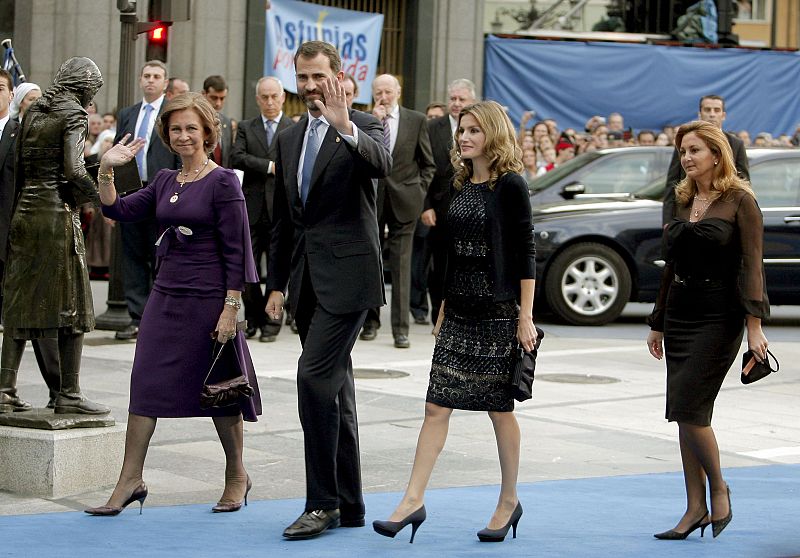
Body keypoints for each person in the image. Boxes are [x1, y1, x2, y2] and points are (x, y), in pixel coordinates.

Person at [86, 92, 261, 516]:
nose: (183, 136)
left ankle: (236, 474)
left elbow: (238, 249)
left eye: (191, 129)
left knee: (220, 391)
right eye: (176, 129)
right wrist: (107, 169)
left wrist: (230, 307)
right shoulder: (165, 180)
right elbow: (120, 209)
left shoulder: (223, 182)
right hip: (165, 296)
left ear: (207, 133)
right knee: (144, 385)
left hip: (209, 300)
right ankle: (130, 479)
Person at [374, 100, 537, 544]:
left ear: (494, 136)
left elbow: (525, 251)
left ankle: (508, 500)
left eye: (473, 131)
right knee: (435, 405)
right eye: (462, 129)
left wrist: (526, 315)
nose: (463, 137)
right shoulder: (459, 184)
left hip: (499, 313)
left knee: (499, 410)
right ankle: (411, 499)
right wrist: (443, 302)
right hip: (460, 309)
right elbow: (448, 251)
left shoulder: (511, 186)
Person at [265, 40, 391, 540]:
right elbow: (283, 223)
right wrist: (276, 286)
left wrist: (344, 125)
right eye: (304, 77)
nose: (311, 86)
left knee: (313, 380)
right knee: (335, 391)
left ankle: (321, 503)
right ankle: (350, 503)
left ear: (339, 77)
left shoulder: (364, 124)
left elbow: (380, 164)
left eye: (320, 76)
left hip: (351, 281)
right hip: (307, 285)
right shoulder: (290, 138)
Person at [646, 120, 769, 540]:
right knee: (683, 413)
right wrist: (657, 322)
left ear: (717, 154)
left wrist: (754, 327)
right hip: (680, 312)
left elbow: (752, 265)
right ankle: (694, 507)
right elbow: (672, 265)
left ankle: (719, 490)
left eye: (695, 150)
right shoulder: (684, 198)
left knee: (692, 410)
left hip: (719, 316)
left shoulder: (741, 201)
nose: (687, 158)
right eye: (683, 152)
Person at [0, 58, 109, 415]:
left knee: (19, 302)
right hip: (56, 218)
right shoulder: (73, 114)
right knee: (73, 304)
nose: (93, 97)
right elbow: (74, 169)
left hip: (24, 216)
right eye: (93, 89)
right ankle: (69, 393)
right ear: (84, 86)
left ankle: (5, 389)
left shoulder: (32, 112)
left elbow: (20, 171)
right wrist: (102, 197)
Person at [0, 71, 62, 411]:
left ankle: (59, 387)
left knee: (34, 314)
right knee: (20, 316)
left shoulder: (24, 135)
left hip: (20, 240)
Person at [360, 74, 435, 348]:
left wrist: (419, 192)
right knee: (371, 260)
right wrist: (373, 123)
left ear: (398, 92)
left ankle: (400, 329)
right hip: (372, 200)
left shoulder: (416, 120)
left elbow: (428, 164)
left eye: (388, 92)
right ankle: (370, 321)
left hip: (405, 200)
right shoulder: (365, 120)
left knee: (402, 265)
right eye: (378, 92)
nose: (383, 97)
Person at [113, 60, 180, 340]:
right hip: (131, 193)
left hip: (162, 193)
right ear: (140, 80)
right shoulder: (128, 114)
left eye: (157, 77)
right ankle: (136, 316)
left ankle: (159, 315)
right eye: (147, 76)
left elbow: (179, 152)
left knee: (160, 255)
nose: (151, 81)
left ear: (165, 82)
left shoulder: (172, 113)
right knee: (133, 255)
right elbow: (117, 154)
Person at [230, 76, 293, 342]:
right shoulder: (246, 127)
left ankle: (272, 323)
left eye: (273, 96)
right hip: (253, 207)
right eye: (264, 97)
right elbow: (237, 157)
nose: (269, 102)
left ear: (283, 98)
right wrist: (269, 166)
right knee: (249, 268)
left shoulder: (293, 128)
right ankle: (254, 317)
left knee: (278, 269)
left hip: (281, 209)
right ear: (257, 99)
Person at [422, 78, 477, 324]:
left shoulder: (480, 127)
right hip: (440, 209)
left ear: (472, 101)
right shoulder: (432, 128)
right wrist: (426, 206)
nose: (456, 104)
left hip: (472, 207)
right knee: (440, 267)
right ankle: (438, 315)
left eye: (461, 99)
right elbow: (423, 168)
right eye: (452, 99)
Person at [663, 95, 749, 225]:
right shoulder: (686, 142)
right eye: (707, 110)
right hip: (688, 211)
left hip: (723, 215)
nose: (712, 115)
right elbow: (672, 183)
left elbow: (743, 182)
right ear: (700, 114)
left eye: (716, 110)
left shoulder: (736, 144)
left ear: (723, 115)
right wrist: (667, 221)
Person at [202, 75, 234, 167]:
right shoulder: (195, 121)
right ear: (204, 94)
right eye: (214, 98)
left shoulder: (226, 123)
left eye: (222, 98)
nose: (218, 103)